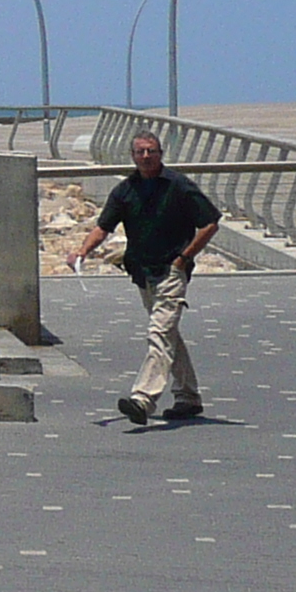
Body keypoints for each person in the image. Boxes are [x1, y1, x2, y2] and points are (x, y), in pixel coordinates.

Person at [65, 130, 220, 425]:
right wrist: (82, 251)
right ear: (133, 156)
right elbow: (104, 227)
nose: (146, 157)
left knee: (159, 334)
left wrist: (184, 258)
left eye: (151, 151)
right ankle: (188, 397)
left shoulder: (179, 186)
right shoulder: (125, 190)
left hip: (172, 271)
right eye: (140, 152)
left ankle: (143, 399)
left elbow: (210, 223)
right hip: (142, 272)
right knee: (168, 334)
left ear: (161, 154)